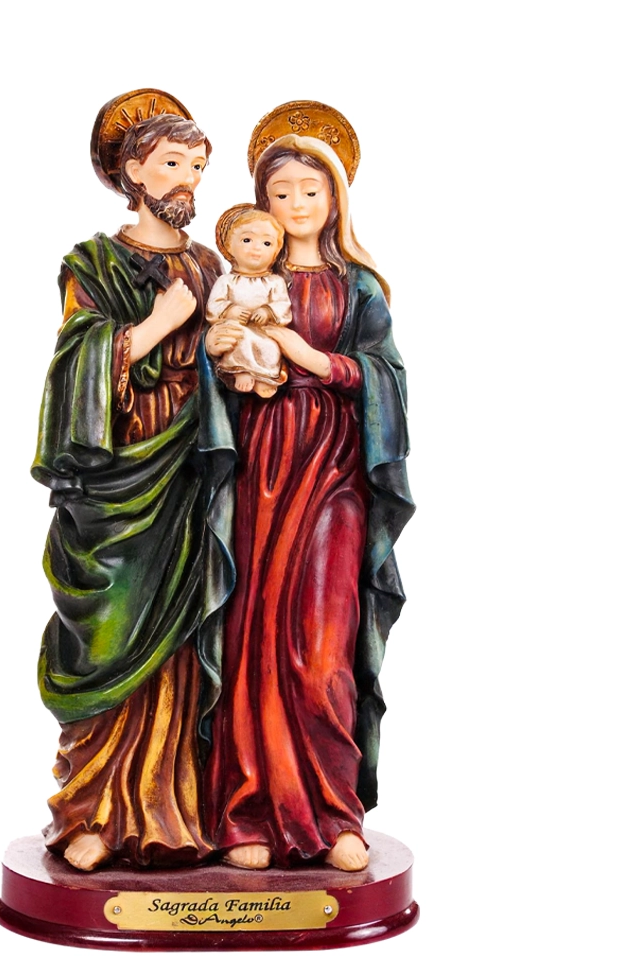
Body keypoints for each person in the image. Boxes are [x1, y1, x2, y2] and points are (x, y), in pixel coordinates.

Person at [201, 116, 415, 872]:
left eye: (310, 190)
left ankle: (332, 810)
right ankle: (247, 813)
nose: (295, 205)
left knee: (324, 644)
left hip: (333, 471)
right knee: (253, 633)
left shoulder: (358, 286)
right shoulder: (241, 276)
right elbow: (211, 367)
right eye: (281, 192)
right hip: (260, 463)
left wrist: (311, 358)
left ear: (336, 198)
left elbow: (385, 376)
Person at [31, 92, 223, 871]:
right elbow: (76, 364)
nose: (188, 180)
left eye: (197, 166)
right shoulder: (92, 263)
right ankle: (93, 811)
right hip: (118, 484)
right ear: (133, 172)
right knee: (108, 634)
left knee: (186, 641)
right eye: (173, 163)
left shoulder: (211, 265)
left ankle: (176, 812)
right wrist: (159, 324)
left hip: (190, 478)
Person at [205, 205, 290, 398]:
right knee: (237, 339)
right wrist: (230, 310)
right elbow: (213, 305)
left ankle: (265, 376)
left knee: (271, 348)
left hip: (263, 331)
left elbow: (283, 305)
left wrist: (268, 311)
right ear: (230, 246)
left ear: (276, 251)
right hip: (238, 327)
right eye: (247, 240)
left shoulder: (275, 282)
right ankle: (241, 371)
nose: (256, 248)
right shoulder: (226, 281)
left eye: (266, 243)